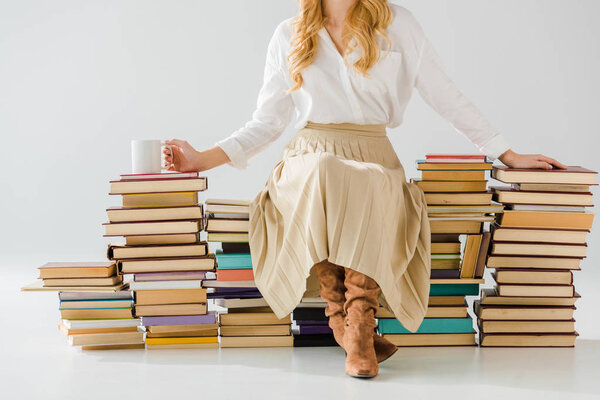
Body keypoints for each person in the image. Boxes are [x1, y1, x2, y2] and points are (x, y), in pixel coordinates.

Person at [163, 0, 566, 378]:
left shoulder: (398, 24)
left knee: (364, 180)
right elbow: (267, 121)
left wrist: (505, 152)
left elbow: (446, 96)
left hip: (373, 156)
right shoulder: (289, 34)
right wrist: (202, 159)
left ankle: (355, 323)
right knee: (325, 170)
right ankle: (349, 325)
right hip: (308, 157)